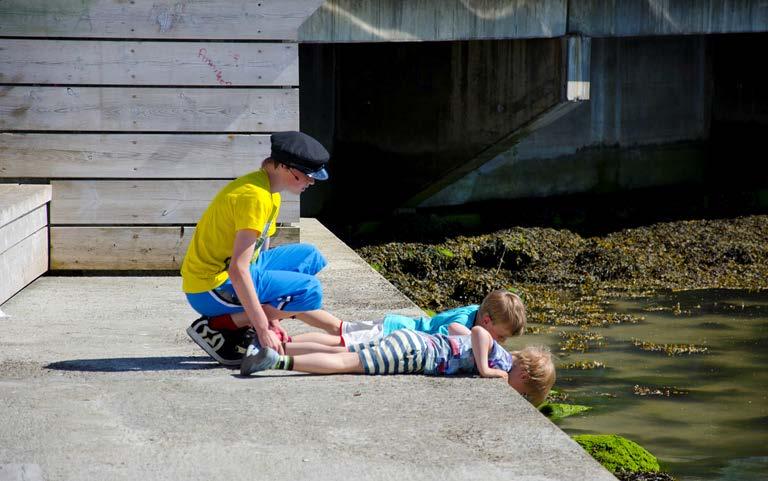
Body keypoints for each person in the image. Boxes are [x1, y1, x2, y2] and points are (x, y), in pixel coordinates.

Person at [181, 131, 342, 366]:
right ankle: (217, 327)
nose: (311, 182)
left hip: (231, 273)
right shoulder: (255, 198)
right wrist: (263, 327)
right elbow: (238, 269)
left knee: (310, 256)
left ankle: (247, 319)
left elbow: (257, 253)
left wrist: (275, 318)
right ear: (286, 168)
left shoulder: (269, 191)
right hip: (210, 288)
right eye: (307, 176)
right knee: (309, 291)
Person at [240, 323, 556, 407]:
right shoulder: (500, 360)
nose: (520, 396)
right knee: (346, 362)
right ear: (524, 374)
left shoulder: (498, 355)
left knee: (348, 349)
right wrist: (486, 370)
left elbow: (458, 331)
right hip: (416, 354)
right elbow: (478, 331)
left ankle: (274, 348)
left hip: (415, 340)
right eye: (525, 394)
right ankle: (278, 360)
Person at [290, 289, 527, 349]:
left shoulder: (477, 310)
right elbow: (453, 328)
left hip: (394, 323)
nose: (500, 343)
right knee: (342, 341)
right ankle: (283, 344)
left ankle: (286, 308)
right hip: (391, 333)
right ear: (486, 322)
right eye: (501, 336)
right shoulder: (466, 323)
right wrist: (487, 345)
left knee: (339, 327)